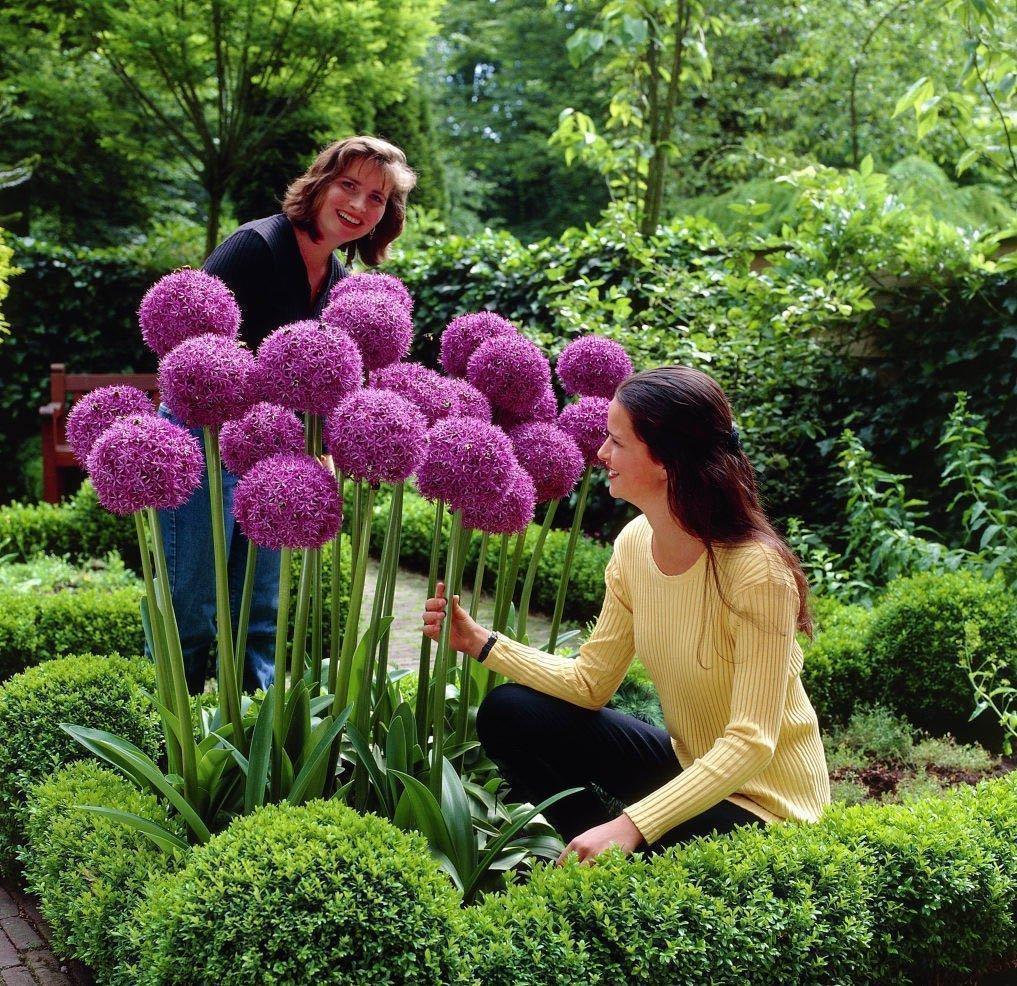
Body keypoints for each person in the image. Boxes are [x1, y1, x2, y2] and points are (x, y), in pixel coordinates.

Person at [422, 365, 831, 862]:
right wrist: (484, 644)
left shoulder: (756, 572)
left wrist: (633, 822)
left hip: (768, 808)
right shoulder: (635, 544)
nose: (601, 454)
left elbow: (751, 742)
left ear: (664, 460)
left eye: (617, 441)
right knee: (511, 714)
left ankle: (623, 851)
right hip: (691, 768)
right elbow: (591, 683)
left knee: (662, 832)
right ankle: (603, 857)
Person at [159, 135, 417, 693]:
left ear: (385, 216)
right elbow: (188, 349)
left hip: (272, 454)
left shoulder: (341, 285)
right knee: (193, 609)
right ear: (320, 183)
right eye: (349, 185)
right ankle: (174, 741)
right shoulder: (255, 246)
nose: (357, 205)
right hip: (201, 441)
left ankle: (258, 738)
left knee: (259, 612)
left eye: (376, 198)